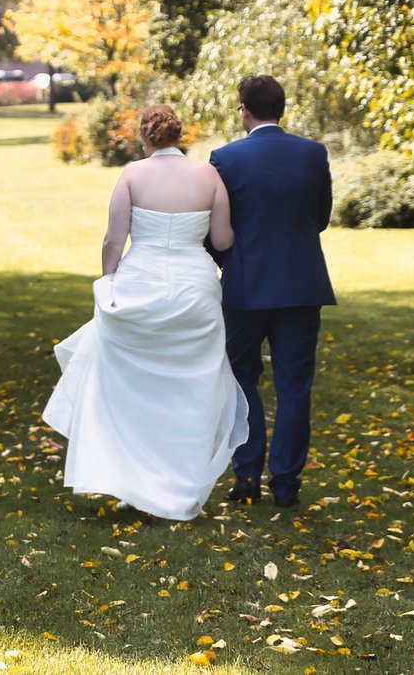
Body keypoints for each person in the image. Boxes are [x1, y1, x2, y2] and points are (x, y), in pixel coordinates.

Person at [43, 105, 249, 520]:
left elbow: (113, 240)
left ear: (145, 137)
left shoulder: (133, 174)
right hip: (195, 289)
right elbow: (223, 238)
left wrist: (108, 282)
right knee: (189, 390)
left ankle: (135, 483)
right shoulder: (209, 176)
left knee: (135, 390)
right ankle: (179, 485)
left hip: (142, 283)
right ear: (178, 136)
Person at [208, 75, 335, 509]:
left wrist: (227, 261)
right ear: (282, 108)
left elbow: (217, 231)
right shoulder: (313, 154)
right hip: (301, 284)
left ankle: (247, 476)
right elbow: (320, 218)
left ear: (244, 109)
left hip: (245, 287)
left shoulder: (224, 158)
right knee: (295, 386)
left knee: (241, 380)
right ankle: (286, 484)